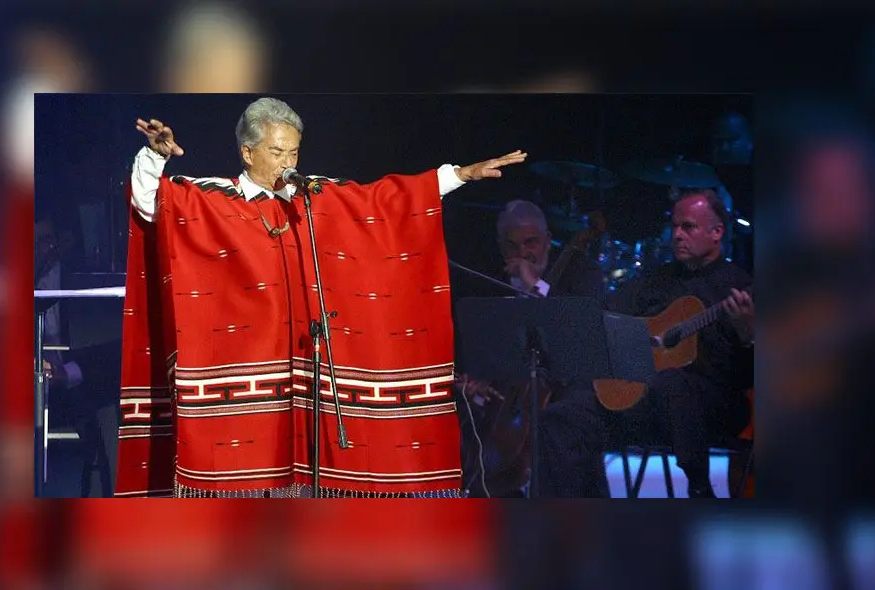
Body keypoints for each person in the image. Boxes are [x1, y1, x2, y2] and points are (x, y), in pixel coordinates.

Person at [117, 96, 527, 497]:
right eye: (277, 152)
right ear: (247, 152)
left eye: (294, 152)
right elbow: (152, 205)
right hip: (245, 395)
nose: (288, 164)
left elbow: (385, 202)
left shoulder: (318, 197)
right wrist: (155, 157)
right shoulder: (210, 197)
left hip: (312, 389)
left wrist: (459, 175)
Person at [536, 188, 754, 498]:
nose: (677, 235)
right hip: (647, 407)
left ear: (717, 232)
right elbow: (605, 315)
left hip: (712, 408)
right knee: (563, 416)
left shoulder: (738, 287)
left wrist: (747, 332)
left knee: (674, 382)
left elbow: (749, 378)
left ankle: (700, 487)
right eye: (675, 226)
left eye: (688, 227)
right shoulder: (657, 279)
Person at [455, 199, 605, 497]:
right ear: (501, 248)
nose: (522, 253)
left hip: (567, 385)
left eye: (531, 243)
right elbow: (476, 346)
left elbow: (582, 333)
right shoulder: (492, 284)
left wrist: (536, 284)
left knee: (559, 420)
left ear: (548, 241)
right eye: (512, 246)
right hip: (509, 393)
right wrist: (469, 380)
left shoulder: (578, 271)